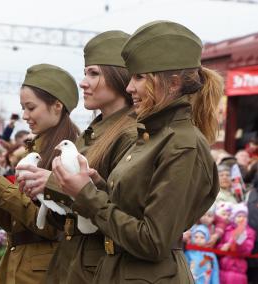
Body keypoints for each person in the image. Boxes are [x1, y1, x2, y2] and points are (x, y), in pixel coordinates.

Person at [51, 20, 222, 283]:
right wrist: (95, 186)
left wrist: (87, 195)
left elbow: (153, 241)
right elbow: (131, 211)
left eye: (139, 77)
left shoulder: (183, 145)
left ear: (173, 83)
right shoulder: (156, 136)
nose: (130, 87)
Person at [19, 31, 137, 283]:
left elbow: (125, 212)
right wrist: (42, 193)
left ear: (119, 76)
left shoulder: (129, 134)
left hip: (98, 266)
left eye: (94, 73)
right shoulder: (93, 132)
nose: (83, 82)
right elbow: (66, 218)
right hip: (73, 262)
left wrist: (52, 184)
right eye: (85, 73)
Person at [0, 63, 80, 283]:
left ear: (57, 105)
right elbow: (14, 223)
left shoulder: (70, 157)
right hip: (18, 266)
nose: (25, 115)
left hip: (45, 272)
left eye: (31, 107)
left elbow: (50, 226)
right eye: (23, 107)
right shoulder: (36, 149)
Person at [217, 203, 255, 284]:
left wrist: (239, 240)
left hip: (238, 270)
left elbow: (247, 250)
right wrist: (222, 247)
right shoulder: (227, 229)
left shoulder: (249, 232)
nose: (242, 219)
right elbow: (219, 246)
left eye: (244, 216)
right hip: (223, 269)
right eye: (239, 216)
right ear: (234, 218)